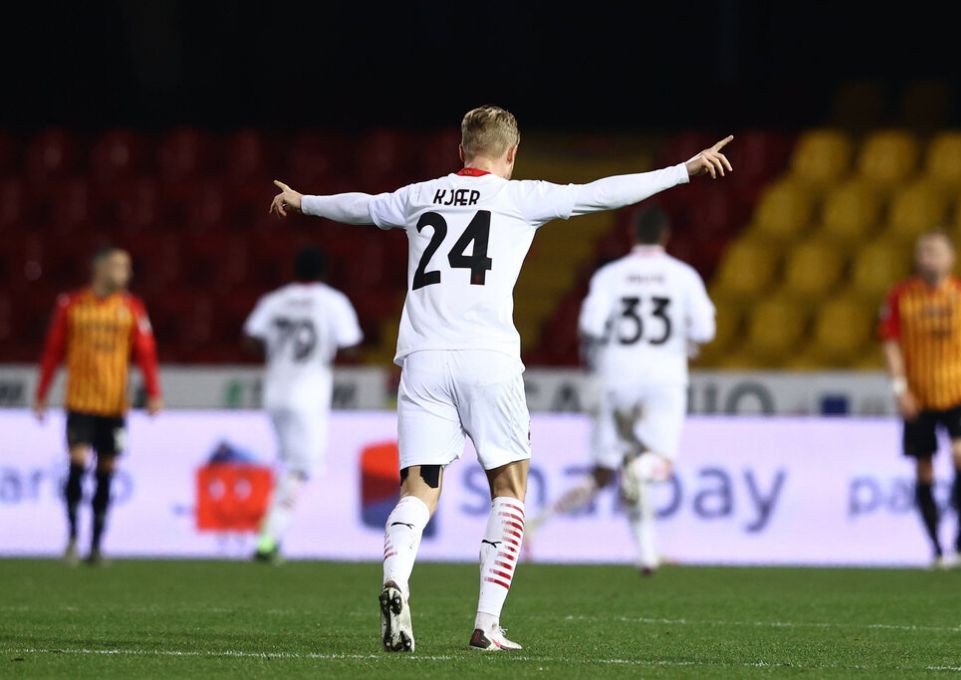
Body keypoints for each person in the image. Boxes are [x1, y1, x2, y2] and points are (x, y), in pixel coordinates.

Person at [269, 105, 733, 652]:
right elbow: (605, 191)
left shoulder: (419, 194)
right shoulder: (520, 197)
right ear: (511, 154)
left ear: (459, 149)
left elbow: (361, 208)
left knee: (418, 490)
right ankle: (486, 624)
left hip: (421, 360)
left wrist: (302, 201)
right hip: (488, 360)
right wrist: (684, 169)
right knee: (509, 488)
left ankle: (396, 579)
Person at [526, 207, 715, 573]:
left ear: (632, 235)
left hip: (614, 376)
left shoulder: (611, 275)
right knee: (654, 462)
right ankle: (639, 477)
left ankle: (644, 553)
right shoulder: (683, 276)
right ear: (665, 236)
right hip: (663, 377)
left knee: (603, 471)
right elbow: (705, 331)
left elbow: (591, 325)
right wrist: (684, 339)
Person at [33, 247, 163, 566]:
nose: (127, 273)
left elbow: (145, 352)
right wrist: (41, 393)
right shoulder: (72, 305)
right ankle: (72, 537)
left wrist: (154, 392)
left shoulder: (132, 307)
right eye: (120, 266)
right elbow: (53, 350)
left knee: (107, 469)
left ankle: (96, 545)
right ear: (100, 270)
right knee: (78, 460)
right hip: (80, 400)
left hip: (115, 404)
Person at [879, 231, 961, 569]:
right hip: (919, 397)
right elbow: (890, 345)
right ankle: (937, 548)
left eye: (936, 250)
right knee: (924, 469)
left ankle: (960, 539)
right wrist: (900, 390)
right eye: (923, 251)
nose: (929, 256)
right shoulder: (901, 296)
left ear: (951, 257)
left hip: (959, 395)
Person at [243, 245, 363, 563]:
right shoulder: (333, 301)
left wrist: (276, 353)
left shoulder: (275, 300)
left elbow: (251, 337)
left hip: (274, 392)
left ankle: (270, 534)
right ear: (324, 272)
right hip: (308, 395)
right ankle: (268, 539)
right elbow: (351, 344)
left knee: (288, 462)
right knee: (300, 468)